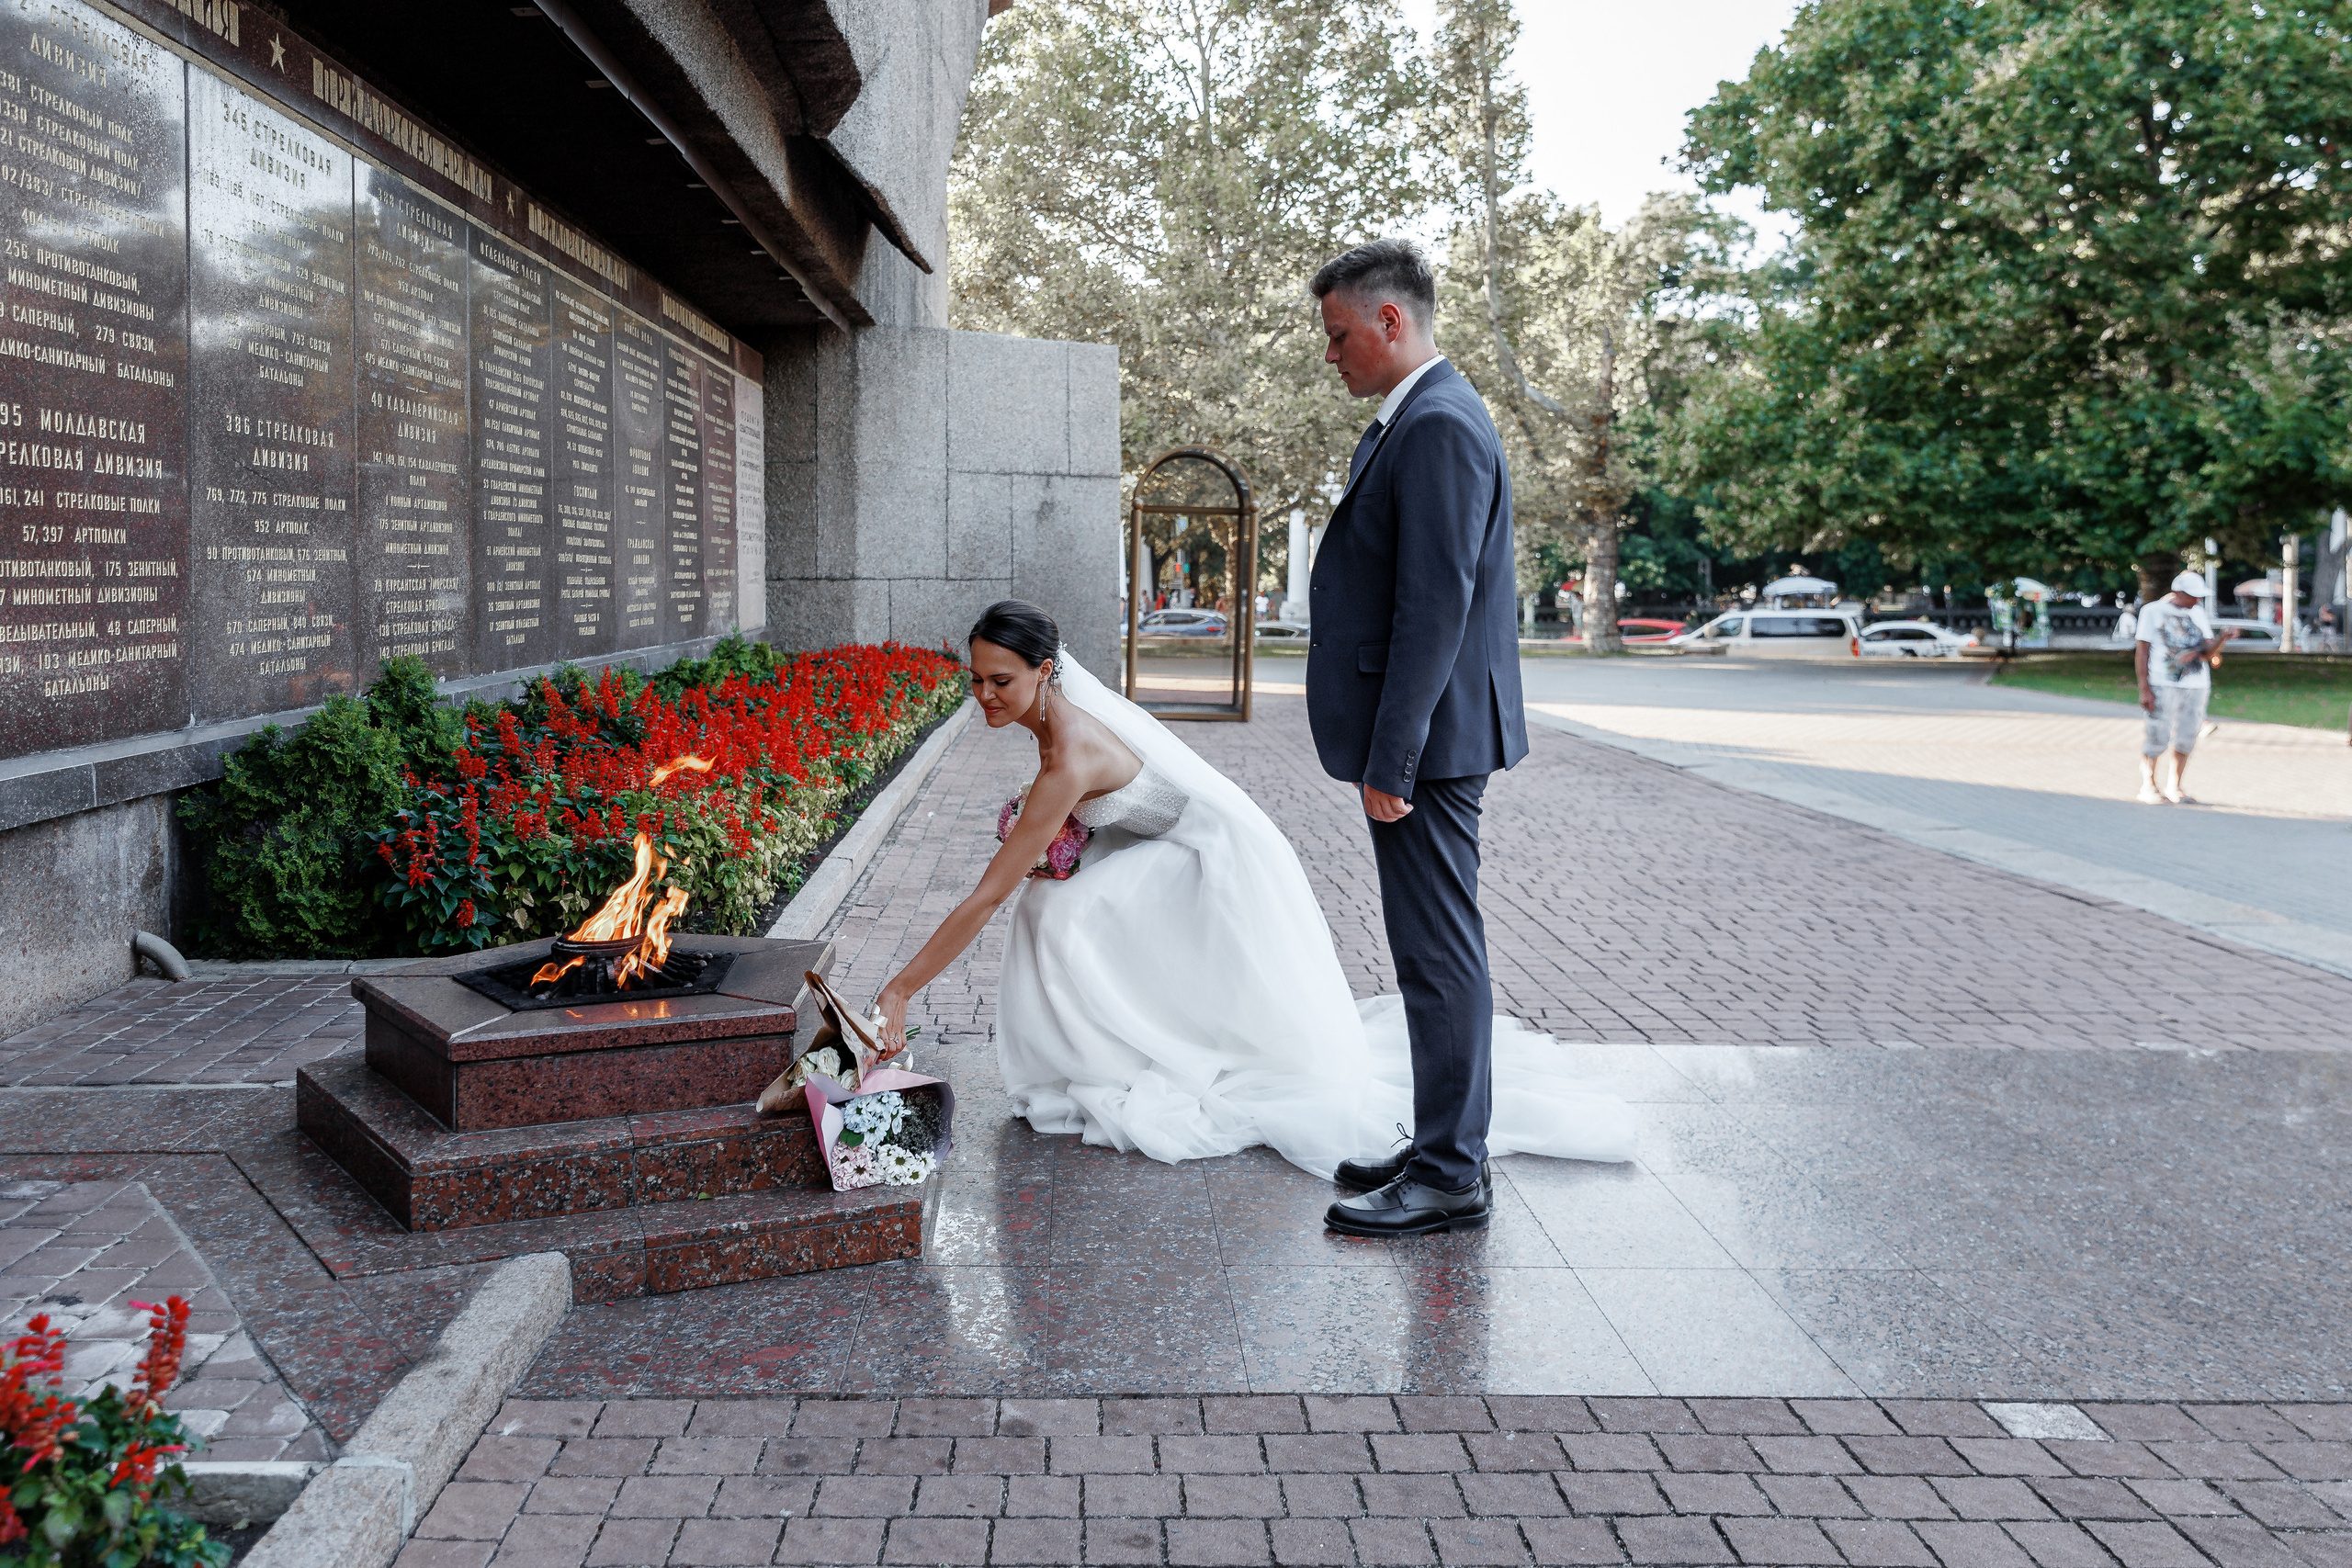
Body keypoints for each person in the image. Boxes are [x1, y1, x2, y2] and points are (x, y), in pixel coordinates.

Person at [871, 600, 1635, 1221]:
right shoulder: (1047, 720)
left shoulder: (1070, 750)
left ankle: (1121, 1059)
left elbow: (986, 893)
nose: (984, 696)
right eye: (975, 681)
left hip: (1211, 860)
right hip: (1158, 844)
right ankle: (1105, 1051)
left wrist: (901, 988)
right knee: (1050, 903)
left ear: (1046, 671)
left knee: (1057, 915)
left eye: (999, 680)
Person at [1302, 237, 1529, 1238]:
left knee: (1437, 954)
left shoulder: (1436, 424)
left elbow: (1436, 604)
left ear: (1391, 322)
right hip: (1430, 738)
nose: (1331, 354)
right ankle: (1444, 1142)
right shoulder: (1423, 417)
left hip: (1430, 747)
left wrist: (1391, 758)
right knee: (1430, 949)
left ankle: (1449, 1170)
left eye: (1339, 334)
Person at [2135, 570, 2234, 805]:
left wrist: (2222, 639)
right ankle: (2148, 785)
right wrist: (2144, 687)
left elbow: (2207, 653)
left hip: (2197, 684)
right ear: (2178, 592)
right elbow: (2142, 650)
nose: (2197, 600)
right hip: (2162, 682)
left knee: (2188, 735)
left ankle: (2175, 786)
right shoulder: (2152, 611)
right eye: (2193, 595)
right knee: (2157, 734)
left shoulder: (2198, 613)